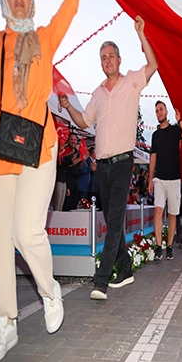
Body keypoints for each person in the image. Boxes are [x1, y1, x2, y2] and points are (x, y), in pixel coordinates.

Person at [0, 0, 77, 362]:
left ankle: (49, 289)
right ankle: (4, 324)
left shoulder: (43, 37)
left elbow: (72, 4)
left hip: (39, 148)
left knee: (25, 232)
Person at [59, 15, 158, 300]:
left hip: (123, 162)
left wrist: (141, 33)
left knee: (114, 219)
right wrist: (67, 107)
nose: (107, 60)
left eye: (111, 56)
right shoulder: (98, 94)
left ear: (118, 58)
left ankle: (101, 280)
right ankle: (125, 269)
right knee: (112, 219)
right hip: (101, 165)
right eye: (103, 57)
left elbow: (153, 65)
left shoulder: (132, 82)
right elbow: (83, 120)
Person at [148, 101, 182, 260]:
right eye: (156, 110)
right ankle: (159, 246)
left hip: (174, 179)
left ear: (166, 111)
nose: (159, 112)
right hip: (159, 179)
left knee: (173, 215)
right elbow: (153, 157)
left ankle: (170, 246)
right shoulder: (155, 135)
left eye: (161, 109)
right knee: (158, 210)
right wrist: (150, 179)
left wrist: (179, 120)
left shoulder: (174, 130)